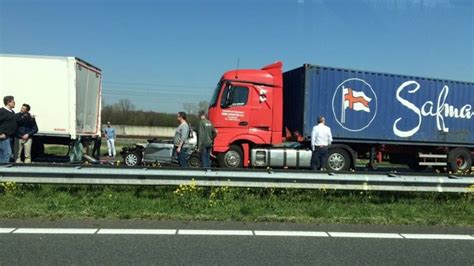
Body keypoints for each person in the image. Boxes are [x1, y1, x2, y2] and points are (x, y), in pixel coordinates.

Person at [0, 96, 17, 163]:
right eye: (13, 101)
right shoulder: (1, 111)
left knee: (2, 154)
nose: (14, 103)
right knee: (7, 153)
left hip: (9, 137)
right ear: (8, 102)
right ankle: (3, 171)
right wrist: (0, 133)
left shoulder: (12, 112)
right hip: (3, 137)